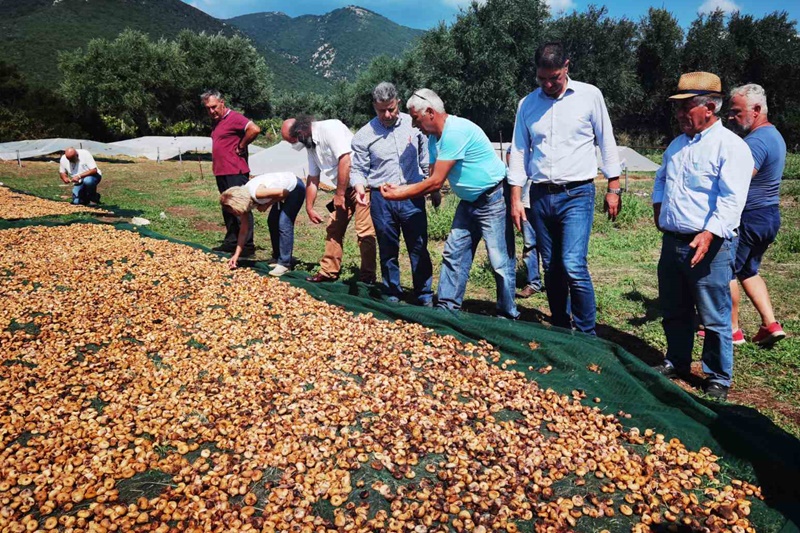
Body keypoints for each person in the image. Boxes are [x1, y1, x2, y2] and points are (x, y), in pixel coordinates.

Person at [651, 72, 753, 401]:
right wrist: (658, 206)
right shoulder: (678, 145)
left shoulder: (730, 147)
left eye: (686, 108)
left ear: (709, 107)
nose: (680, 115)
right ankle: (677, 361)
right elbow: (661, 179)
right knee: (675, 308)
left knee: (713, 314)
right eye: (678, 109)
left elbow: (731, 200)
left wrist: (709, 234)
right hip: (674, 241)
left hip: (710, 244)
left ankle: (717, 376)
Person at [508, 41, 622, 335]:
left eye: (554, 78)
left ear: (566, 67)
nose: (547, 84)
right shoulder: (527, 104)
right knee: (552, 267)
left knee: (572, 264)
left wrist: (613, 186)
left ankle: (586, 333)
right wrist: (516, 198)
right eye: (542, 78)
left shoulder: (589, 95)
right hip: (542, 195)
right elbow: (519, 151)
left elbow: (606, 140)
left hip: (577, 194)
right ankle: (560, 325)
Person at [381, 88, 519, 319]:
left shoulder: (455, 131)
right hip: (469, 202)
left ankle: (507, 314)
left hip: (493, 199)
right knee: (454, 253)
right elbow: (433, 172)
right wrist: (425, 190)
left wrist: (400, 193)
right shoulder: (434, 138)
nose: (414, 125)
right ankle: (447, 308)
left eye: (416, 118)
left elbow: (435, 182)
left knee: (500, 262)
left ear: (431, 113)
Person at [350, 82, 434, 305]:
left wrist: (428, 182)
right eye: (381, 110)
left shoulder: (413, 123)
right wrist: (359, 187)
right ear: (373, 107)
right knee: (388, 247)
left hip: (411, 194)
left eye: (391, 109)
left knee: (418, 246)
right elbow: (358, 169)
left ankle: (424, 293)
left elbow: (425, 157)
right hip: (382, 197)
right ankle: (392, 291)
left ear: (397, 102)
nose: (387, 115)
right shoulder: (364, 135)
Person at [281, 116, 376, 284]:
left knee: (364, 231)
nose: (295, 145)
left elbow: (345, 160)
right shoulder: (310, 145)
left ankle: (367, 277)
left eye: (294, 141)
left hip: (362, 186)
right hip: (343, 189)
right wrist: (309, 207)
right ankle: (328, 271)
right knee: (333, 228)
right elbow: (313, 177)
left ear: (301, 132)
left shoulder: (331, 128)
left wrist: (339, 195)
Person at [726, 84, 787, 346]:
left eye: (736, 112)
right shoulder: (774, 135)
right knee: (749, 270)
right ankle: (770, 324)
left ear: (757, 110)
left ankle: (731, 330)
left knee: (725, 270)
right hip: (769, 215)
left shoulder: (756, 141)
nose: (730, 117)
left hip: (751, 216)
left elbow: (739, 179)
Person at [202, 90, 261, 255]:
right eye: (208, 108)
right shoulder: (216, 121)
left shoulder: (234, 117)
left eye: (214, 107)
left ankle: (247, 246)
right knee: (227, 206)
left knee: (240, 207)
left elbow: (254, 129)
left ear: (222, 102)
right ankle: (231, 241)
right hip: (222, 171)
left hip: (235, 170)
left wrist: (241, 146)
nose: (211, 111)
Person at [219, 172, 305, 275]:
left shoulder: (257, 193)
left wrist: (267, 204)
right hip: (282, 190)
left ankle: (285, 264)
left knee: (284, 223)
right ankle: (277, 257)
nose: (234, 214)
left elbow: (284, 193)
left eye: (233, 211)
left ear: (238, 204)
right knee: (272, 221)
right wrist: (236, 255)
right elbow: (243, 231)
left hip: (295, 187)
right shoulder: (245, 201)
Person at [506, 146, 544, 298]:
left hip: (547, 202)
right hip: (526, 204)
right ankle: (534, 283)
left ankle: (559, 283)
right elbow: (510, 156)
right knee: (530, 245)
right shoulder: (520, 145)